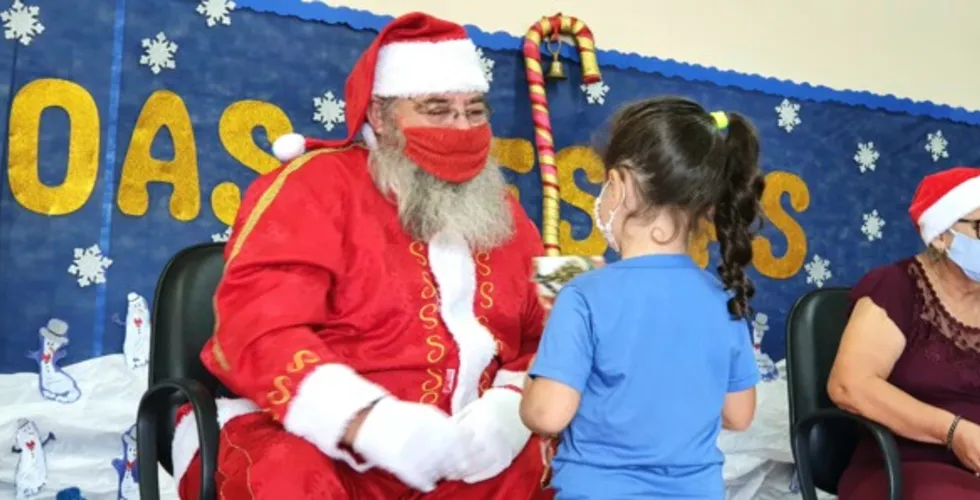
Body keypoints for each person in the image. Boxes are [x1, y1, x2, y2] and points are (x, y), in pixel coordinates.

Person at [169, 12, 552, 500]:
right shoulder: (307, 185)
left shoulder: (509, 209)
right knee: (290, 476)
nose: (461, 128)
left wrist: (510, 409)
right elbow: (254, 328)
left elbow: (563, 329)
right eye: (437, 110)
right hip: (315, 440)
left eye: (475, 112)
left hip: (468, 448)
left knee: (568, 461)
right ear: (380, 115)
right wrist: (367, 420)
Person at [519, 96, 764, 499]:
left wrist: (533, 376)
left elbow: (547, 414)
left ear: (618, 185)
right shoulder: (724, 298)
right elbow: (739, 415)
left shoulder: (583, 292)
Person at [828, 166, 980, 499]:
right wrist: (952, 431)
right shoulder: (896, 287)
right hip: (907, 467)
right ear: (941, 236)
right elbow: (849, 386)